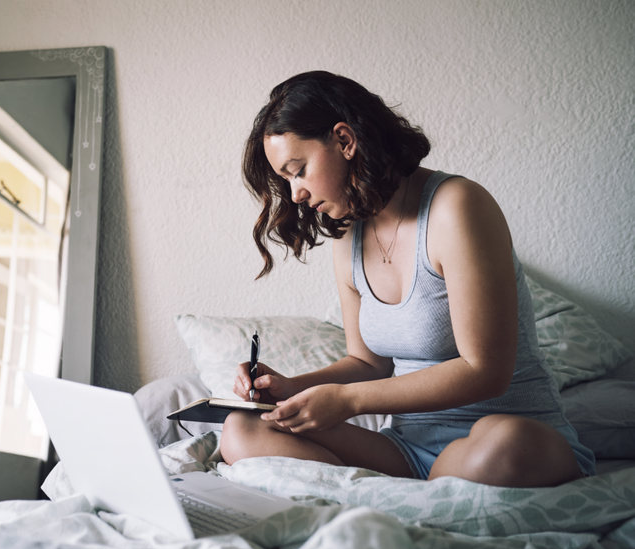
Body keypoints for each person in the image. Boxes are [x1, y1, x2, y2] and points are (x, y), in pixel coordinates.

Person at [219, 71, 596, 487]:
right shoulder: (348, 234)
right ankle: (426, 496)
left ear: (345, 141)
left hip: (500, 438)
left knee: (508, 444)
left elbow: (485, 369)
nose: (295, 195)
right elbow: (367, 363)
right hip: (407, 450)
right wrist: (290, 389)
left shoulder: (458, 207)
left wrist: (346, 401)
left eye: (299, 170)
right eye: (287, 180)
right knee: (243, 429)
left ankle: (410, 496)